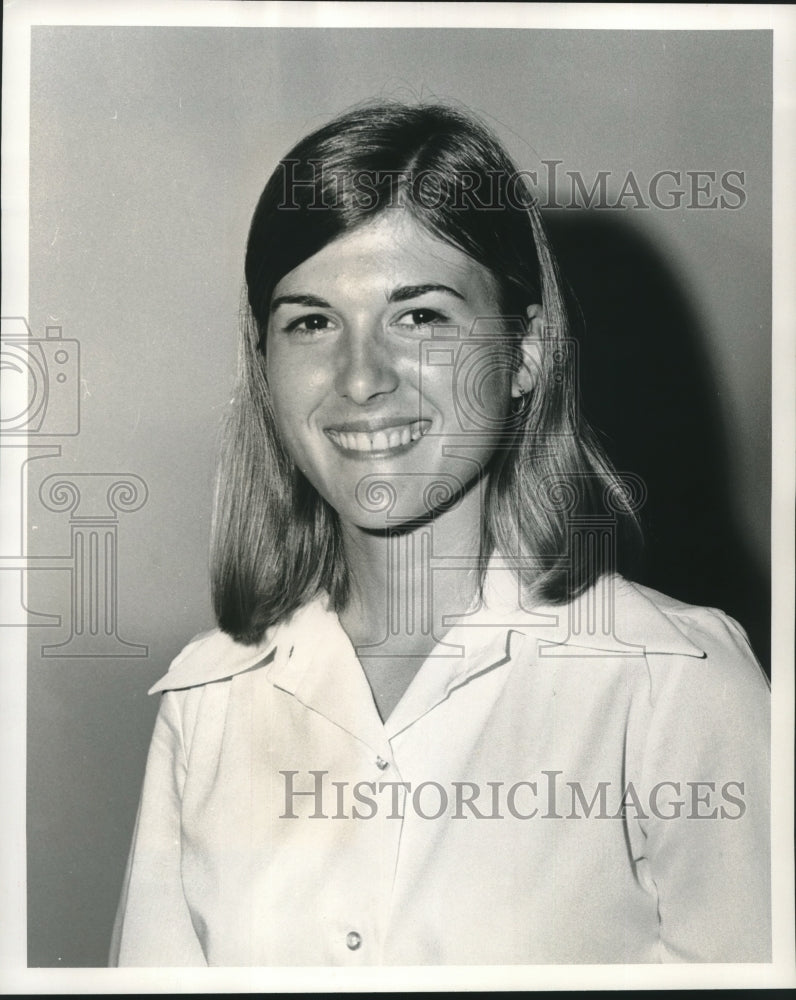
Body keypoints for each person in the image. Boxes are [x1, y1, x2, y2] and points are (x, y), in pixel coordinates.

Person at [110, 102, 770, 966]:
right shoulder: (209, 702)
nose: (360, 377)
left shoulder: (673, 686)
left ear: (526, 351)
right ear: (264, 362)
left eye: (419, 317)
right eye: (311, 320)